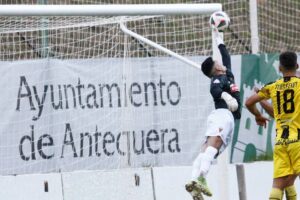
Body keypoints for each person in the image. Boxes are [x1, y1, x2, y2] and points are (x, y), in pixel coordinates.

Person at [185, 28, 241, 200]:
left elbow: (226, 57)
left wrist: (219, 39)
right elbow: (215, 90)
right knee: (214, 144)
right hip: (222, 114)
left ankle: (194, 181)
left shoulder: (227, 74)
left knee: (208, 150)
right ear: (215, 68)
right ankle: (201, 177)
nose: (220, 62)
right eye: (217, 62)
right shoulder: (217, 79)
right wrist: (226, 96)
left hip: (227, 118)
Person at [245, 51, 299, 200]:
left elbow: (249, 102)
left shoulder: (273, 87)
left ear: (280, 68)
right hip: (298, 140)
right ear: (297, 66)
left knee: (279, 184)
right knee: (288, 181)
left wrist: (258, 115)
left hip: (281, 142)